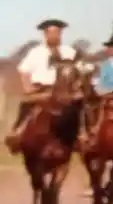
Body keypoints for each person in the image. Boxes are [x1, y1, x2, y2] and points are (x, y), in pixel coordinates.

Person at [5, 19, 78, 153]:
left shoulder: (70, 52)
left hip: (64, 91)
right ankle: (17, 133)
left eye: (56, 32)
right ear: (45, 35)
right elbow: (23, 70)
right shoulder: (36, 52)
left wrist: (76, 86)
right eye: (50, 33)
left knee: (79, 107)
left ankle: (81, 136)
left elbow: (80, 69)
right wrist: (28, 88)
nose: (53, 36)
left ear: (61, 34)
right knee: (26, 106)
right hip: (42, 89)